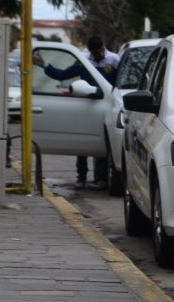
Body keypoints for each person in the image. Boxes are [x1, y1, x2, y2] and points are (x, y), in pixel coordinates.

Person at [33, 35, 119, 189]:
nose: (99, 56)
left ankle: (101, 179)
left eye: (100, 52)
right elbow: (61, 75)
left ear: (104, 47)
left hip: (108, 104)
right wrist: (44, 65)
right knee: (84, 145)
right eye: (95, 53)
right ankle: (82, 178)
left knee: (103, 144)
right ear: (90, 52)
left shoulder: (114, 60)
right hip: (86, 106)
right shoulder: (84, 61)